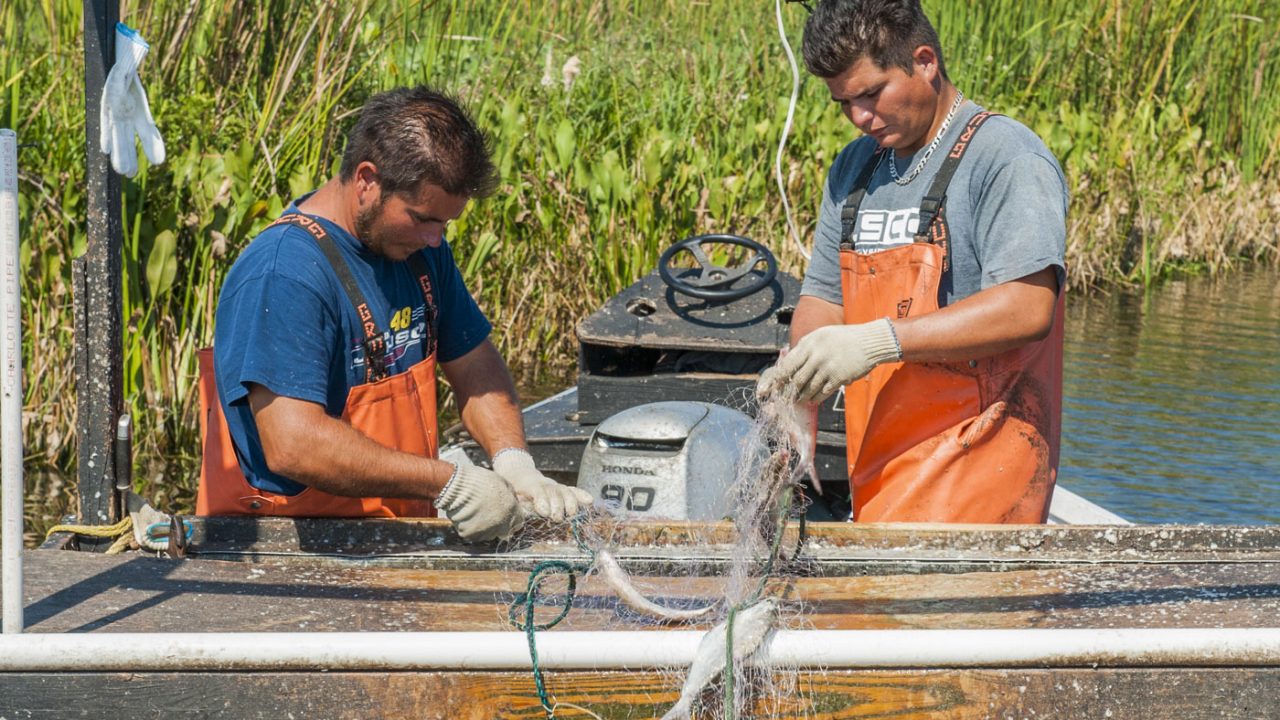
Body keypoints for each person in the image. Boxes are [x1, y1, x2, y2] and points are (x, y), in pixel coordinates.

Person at [196, 86, 591, 540]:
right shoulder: (285, 273)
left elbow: (475, 364)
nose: (436, 238)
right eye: (423, 217)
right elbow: (294, 444)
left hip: (396, 534)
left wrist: (514, 462)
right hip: (288, 550)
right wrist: (449, 482)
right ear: (367, 180)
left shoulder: (421, 252)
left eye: (445, 223)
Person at [757, 0, 1068, 523]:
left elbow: (1027, 308)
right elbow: (823, 298)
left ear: (924, 61)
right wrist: (803, 379)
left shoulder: (1007, 157)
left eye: (871, 94)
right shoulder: (854, 169)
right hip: (883, 478)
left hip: (983, 486)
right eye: (843, 102)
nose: (859, 117)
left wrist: (878, 341)